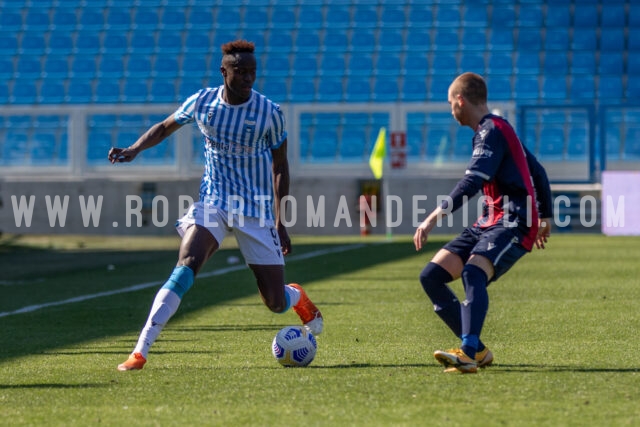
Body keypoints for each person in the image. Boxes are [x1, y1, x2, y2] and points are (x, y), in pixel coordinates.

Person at [109, 40, 323, 371]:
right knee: (187, 263)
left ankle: (295, 295)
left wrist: (281, 222)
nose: (248, 78)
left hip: (256, 211)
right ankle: (140, 352)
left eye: (252, 72)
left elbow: (280, 166)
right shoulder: (203, 101)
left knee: (275, 303)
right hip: (214, 202)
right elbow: (166, 126)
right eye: (240, 72)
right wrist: (135, 148)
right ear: (224, 71)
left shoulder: (270, 113)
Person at [413, 72, 553, 374]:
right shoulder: (497, 130)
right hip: (489, 220)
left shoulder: (492, 130)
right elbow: (538, 171)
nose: (452, 111)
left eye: (452, 104)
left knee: (473, 271)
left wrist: (433, 217)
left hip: (514, 220)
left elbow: (473, 181)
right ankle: (477, 350)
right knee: (431, 276)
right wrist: (547, 215)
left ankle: (467, 350)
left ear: (461, 100)